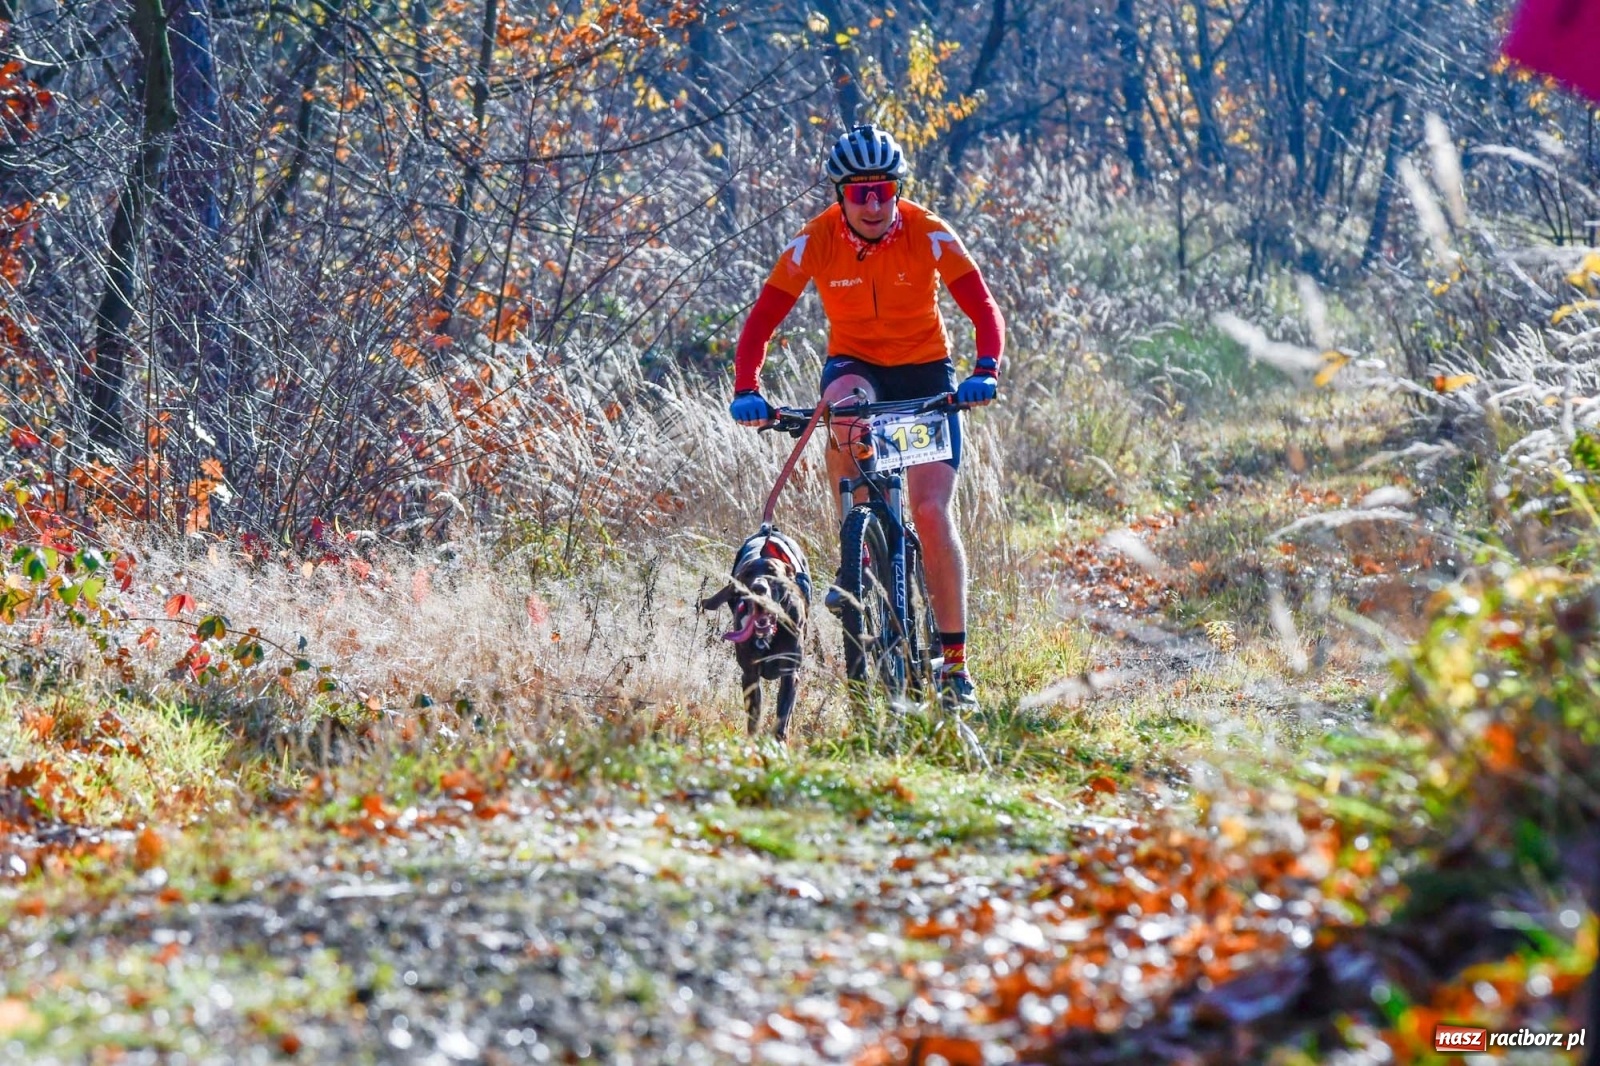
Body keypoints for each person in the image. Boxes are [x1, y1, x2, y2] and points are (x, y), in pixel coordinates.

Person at [728, 123, 1006, 709]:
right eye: (860, 193)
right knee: (845, 403)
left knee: (930, 511)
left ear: (898, 189)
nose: (874, 204)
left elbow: (982, 305)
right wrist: (747, 387)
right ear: (841, 197)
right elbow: (761, 320)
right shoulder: (816, 240)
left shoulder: (929, 232)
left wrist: (985, 370)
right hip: (855, 365)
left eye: (884, 190)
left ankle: (956, 667)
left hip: (925, 374)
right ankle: (855, 550)